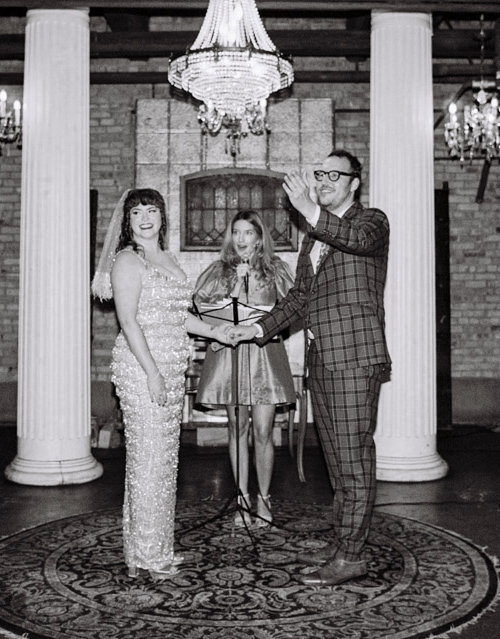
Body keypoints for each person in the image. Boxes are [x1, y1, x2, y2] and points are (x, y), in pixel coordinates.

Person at [231, 149, 391, 586]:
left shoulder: (371, 222)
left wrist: (311, 211)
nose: (323, 180)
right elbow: (300, 299)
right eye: (318, 174)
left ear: (354, 182)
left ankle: (352, 556)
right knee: (338, 463)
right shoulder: (313, 238)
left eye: (333, 175)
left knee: (353, 460)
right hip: (323, 362)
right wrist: (256, 329)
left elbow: (353, 241)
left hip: (356, 359)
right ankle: (344, 545)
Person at [91, 188, 232, 582]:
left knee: (161, 463)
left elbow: (178, 316)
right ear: (128, 221)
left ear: (162, 216)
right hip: (142, 369)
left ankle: (148, 550)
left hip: (171, 368)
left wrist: (218, 332)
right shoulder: (127, 260)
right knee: (149, 463)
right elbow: (130, 321)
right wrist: (152, 372)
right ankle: (150, 556)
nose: (146, 217)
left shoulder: (167, 258)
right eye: (137, 212)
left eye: (152, 210)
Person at [192, 210, 296, 528]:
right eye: (236, 232)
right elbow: (200, 309)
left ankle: (264, 499)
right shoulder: (219, 271)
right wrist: (236, 284)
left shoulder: (276, 270)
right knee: (237, 429)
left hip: (263, 355)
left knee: (263, 431)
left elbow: (293, 308)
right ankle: (242, 499)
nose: (241, 239)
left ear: (259, 236)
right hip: (230, 355)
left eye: (248, 233)